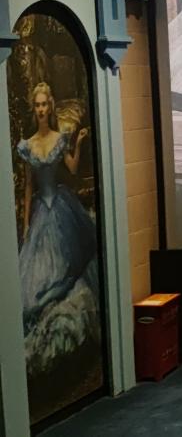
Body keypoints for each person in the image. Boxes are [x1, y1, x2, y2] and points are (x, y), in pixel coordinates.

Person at [17, 82, 97, 333]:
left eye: (44, 104)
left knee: (65, 261)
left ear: (50, 106)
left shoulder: (58, 139)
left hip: (61, 206)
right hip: (41, 208)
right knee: (37, 271)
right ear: (34, 109)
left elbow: (72, 169)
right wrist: (27, 223)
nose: (41, 109)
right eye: (37, 105)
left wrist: (78, 143)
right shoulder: (27, 145)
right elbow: (28, 186)